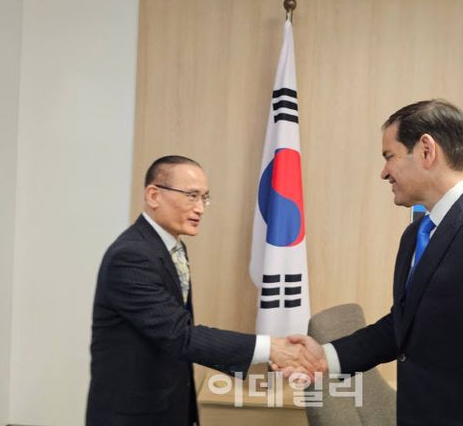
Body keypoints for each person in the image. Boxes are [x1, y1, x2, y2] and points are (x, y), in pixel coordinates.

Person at [290, 99, 463, 425]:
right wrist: (326, 356)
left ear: (427, 150)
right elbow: (406, 325)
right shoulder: (417, 234)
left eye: (389, 156)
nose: (384, 172)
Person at [86, 155, 323, 426]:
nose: (200, 208)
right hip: (132, 414)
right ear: (153, 195)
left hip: (167, 403)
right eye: (191, 196)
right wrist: (271, 348)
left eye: (204, 197)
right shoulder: (131, 256)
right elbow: (179, 334)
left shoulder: (171, 247)